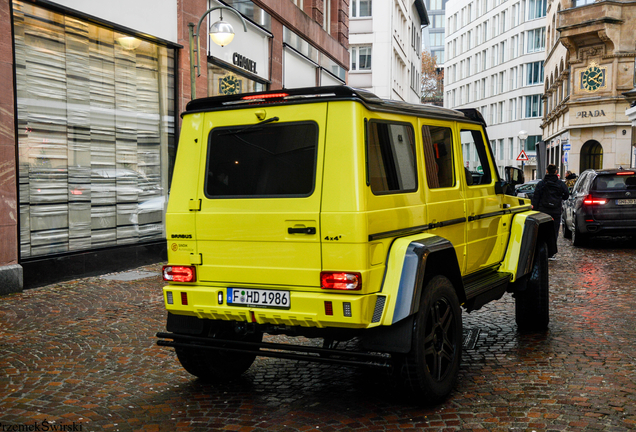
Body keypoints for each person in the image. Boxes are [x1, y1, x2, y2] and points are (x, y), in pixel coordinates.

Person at [532, 164, 569, 261]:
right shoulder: (560, 184)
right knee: (554, 231)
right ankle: (551, 252)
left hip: (543, 211)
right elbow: (566, 196)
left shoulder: (541, 183)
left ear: (547, 171)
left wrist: (535, 210)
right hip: (555, 211)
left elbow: (536, 197)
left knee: (542, 231)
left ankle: (542, 251)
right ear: (556, 172)